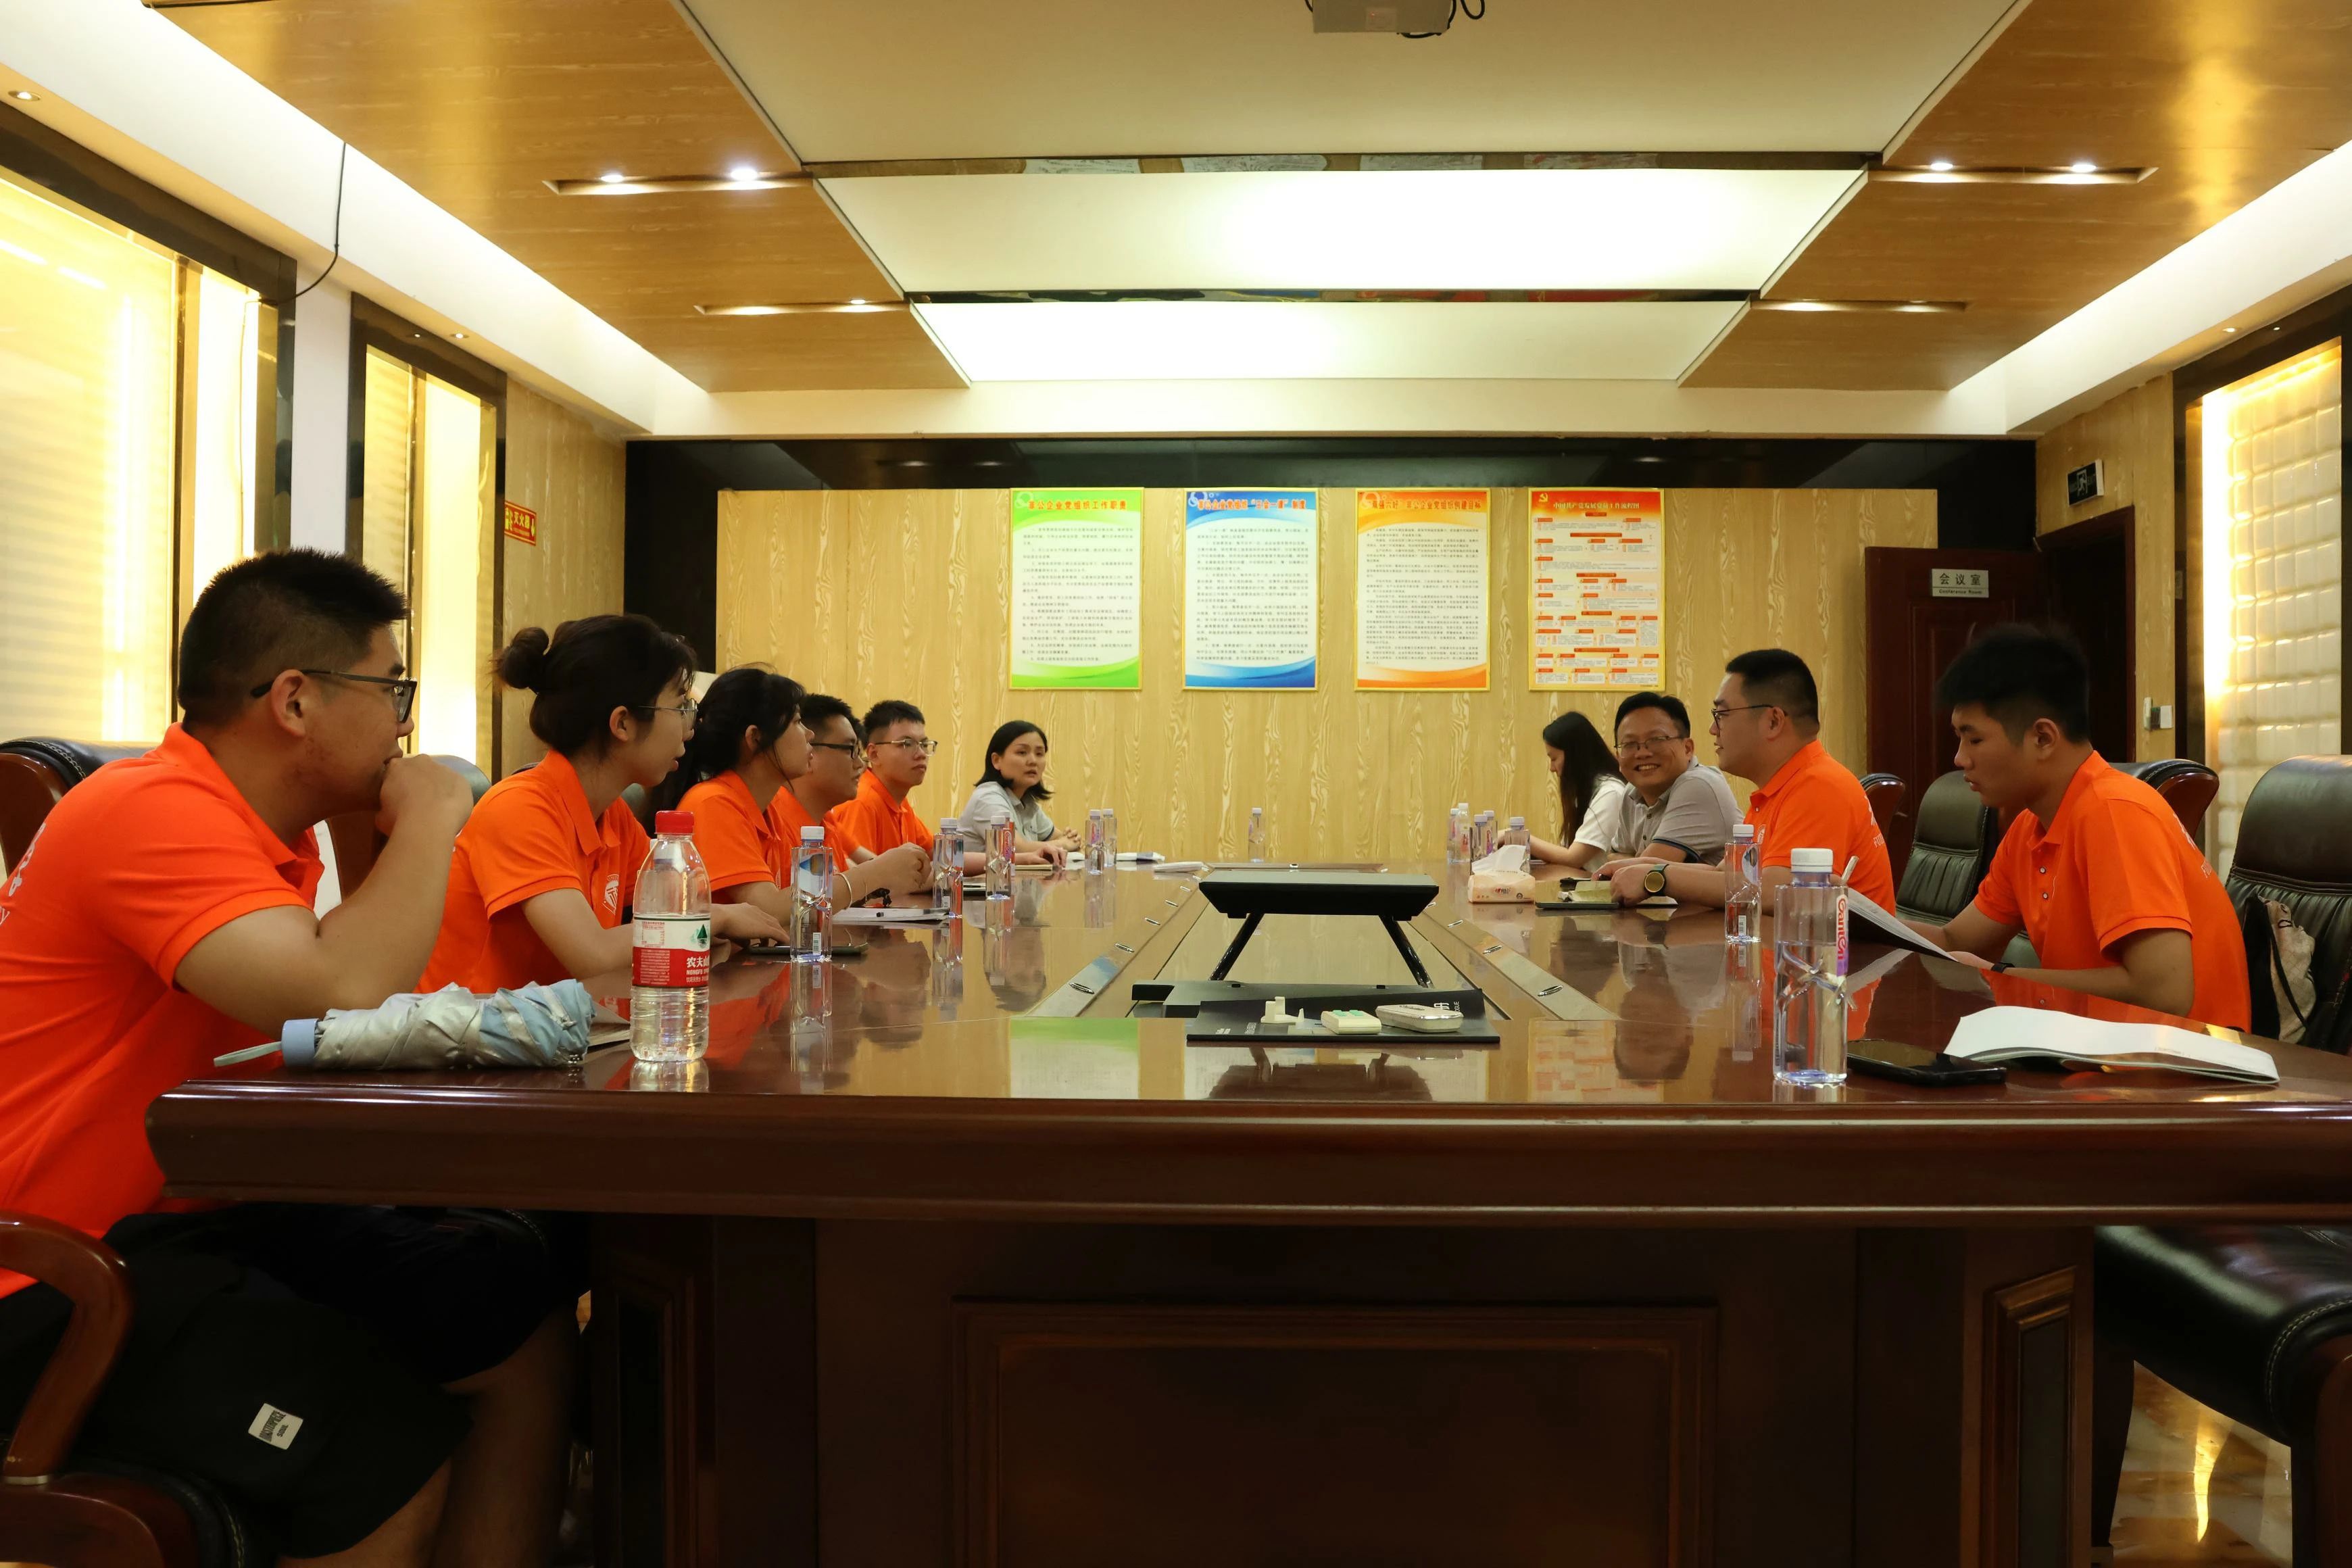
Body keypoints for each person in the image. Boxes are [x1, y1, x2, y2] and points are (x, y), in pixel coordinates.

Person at [0, 551, 576, 1567]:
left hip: (203, 1219)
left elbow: (359, 991)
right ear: (296, 700)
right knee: (376, 1454)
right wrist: (435, 812)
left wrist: (373, 831)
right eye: (391, 689)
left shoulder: (266, 831)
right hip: (57, 1270)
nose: (403, 724)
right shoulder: (150, 809)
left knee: (508, 1316)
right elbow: (336, 987)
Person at [1906, 627, 2250, 1027]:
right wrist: (1854, 917)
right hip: (2098, 1045)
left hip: (2185, 1058)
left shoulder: (2114, 813)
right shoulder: (2030, 827)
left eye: (1975, 740)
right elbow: (1955, 942)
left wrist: (2002, 975)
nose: (1959, 758)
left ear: (2043, 738)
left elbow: (2165, 993)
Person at [420, 616, 783, 991]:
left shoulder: (613, 816)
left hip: (560, 1021)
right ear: (622, 723)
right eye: (681, 709)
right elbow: (593, 955)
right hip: (469, 1025)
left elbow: (676, 913)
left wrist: (707, 925)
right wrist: (716, 918)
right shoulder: (519, 808)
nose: (690, 729)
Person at [1613, 648, 1894, 910]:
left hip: (1845, 949)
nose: (1713, 729)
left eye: (1722, 714)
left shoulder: (1819, 785)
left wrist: (1659, 878)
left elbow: (1777, 892)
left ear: (1773, 721)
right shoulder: (1776, 791)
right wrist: (1648, 867)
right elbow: (1725, 876)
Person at [660, 667, 932, 922]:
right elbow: (769, 910)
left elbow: (811, 900)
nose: (809, 734)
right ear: (755, 738)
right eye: (797, 722)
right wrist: (877, 872)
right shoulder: (714, 802)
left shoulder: (771, 812)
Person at [1577, 693, 1740, 871]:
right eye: (1629, 744)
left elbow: (1645, 873)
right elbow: (1614, 856)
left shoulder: (1699, 785)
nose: (1642, 753)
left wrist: (1638, 862)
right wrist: (1640, 862)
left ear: (1687, 749)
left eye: (1656, 740)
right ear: (1618, 757)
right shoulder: (1632, 792)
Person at [959, 720, 1081, 862]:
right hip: (986, 877)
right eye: (1022, 752)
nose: (1033, 761)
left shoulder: (1026, 802)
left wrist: (1069, 840)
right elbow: (1013, 849)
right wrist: (1064, 844)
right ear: (997, 760)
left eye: (1039, 754)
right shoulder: (988, 797)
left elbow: (1059, 837)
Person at [829, 698, 937, 858]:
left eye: (924, 744)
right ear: (874, 754)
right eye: (907, 744)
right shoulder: (862, 802)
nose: (921, 754)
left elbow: (937, 854)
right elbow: (862, 872)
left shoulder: (899, 801)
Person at [1525, 710, 1627, 869]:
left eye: (1554, 759)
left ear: (1575, 755)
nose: (1552, 768)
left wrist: (1519, 837)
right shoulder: (1587, 792)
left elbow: (1573, 858)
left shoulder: (1611, 793)